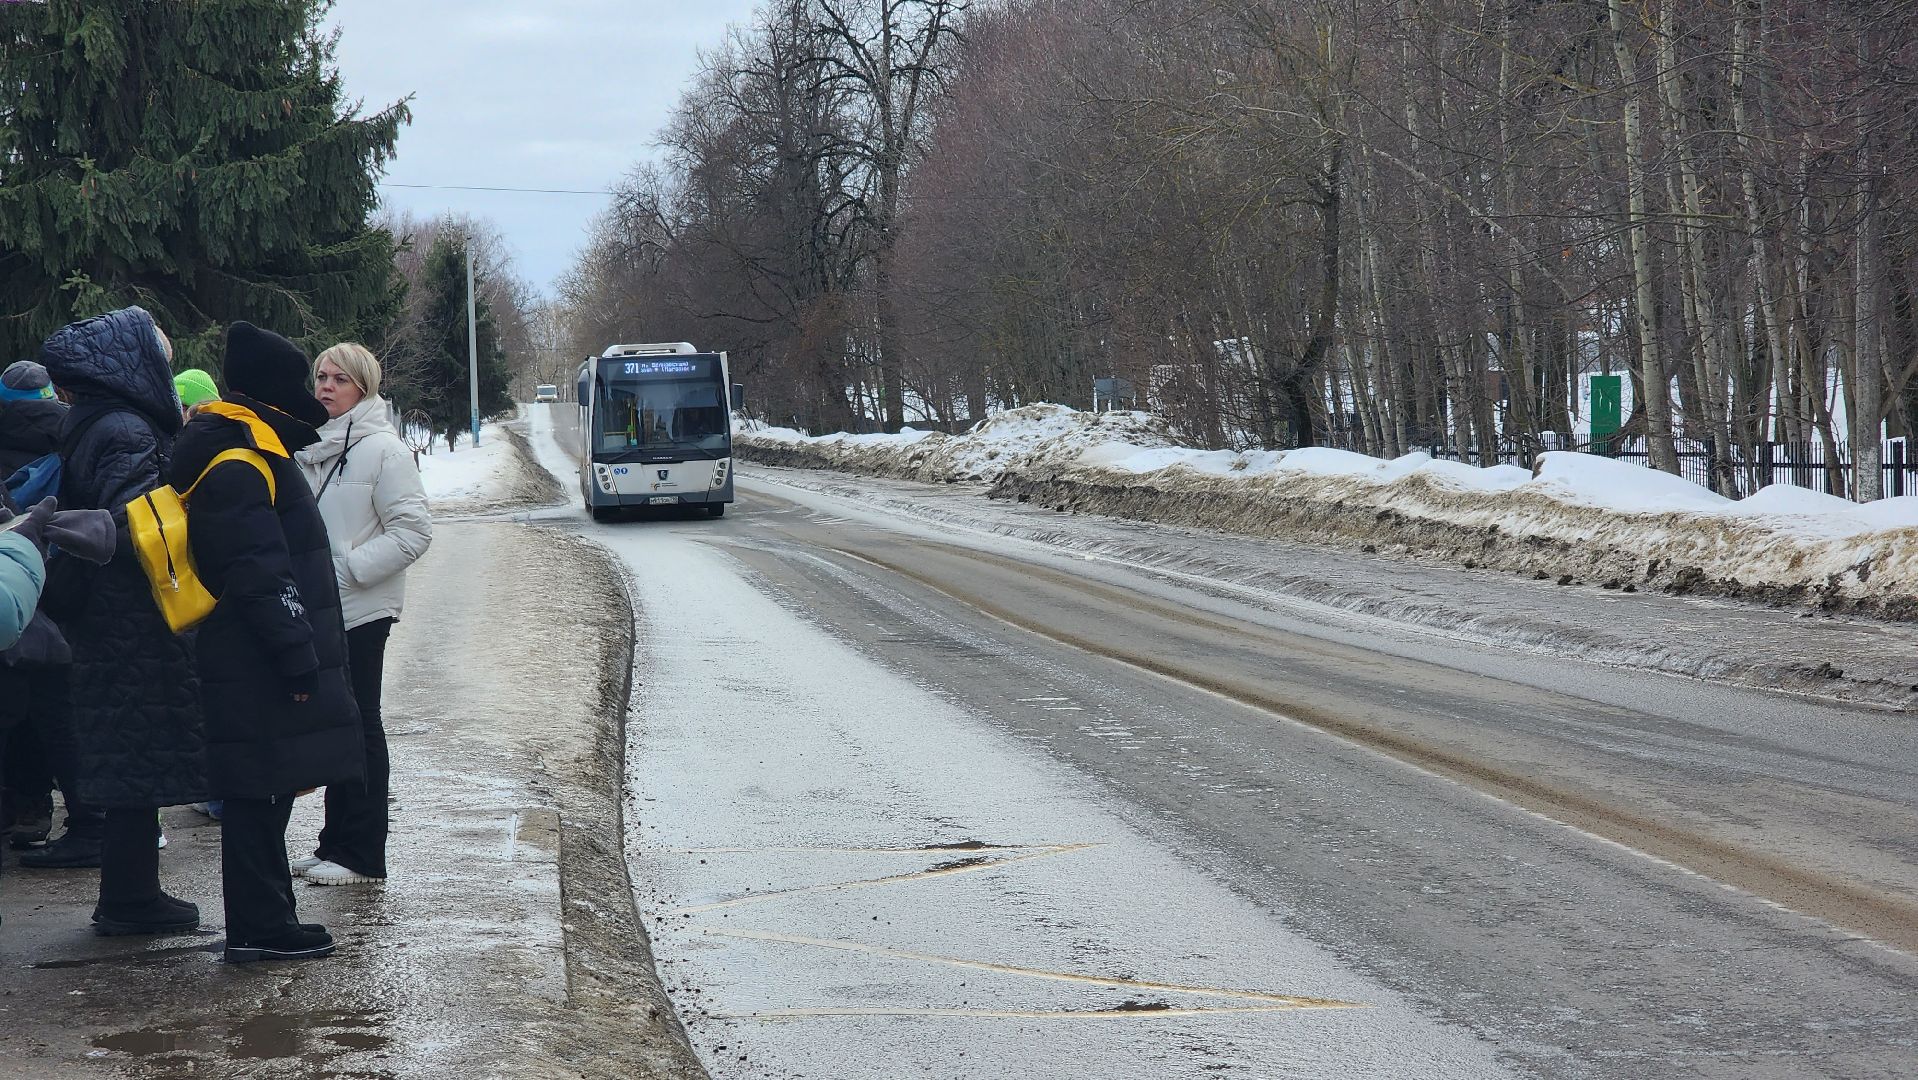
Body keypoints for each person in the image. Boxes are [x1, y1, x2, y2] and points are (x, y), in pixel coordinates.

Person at [172, 321, 361, 963]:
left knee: (269, 789)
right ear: (270, 406)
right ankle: (258, 928)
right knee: (257, 792)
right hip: (251, 658)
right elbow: (259, 572)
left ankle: (270, 916)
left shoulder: (239, 453)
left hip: (247, 655)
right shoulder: (240, 463)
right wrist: (297, 655)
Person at [34, 308, 206, 933]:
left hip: (102, 613)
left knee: (125, 748)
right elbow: (138, 524)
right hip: (131, 614)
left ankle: (129, 894)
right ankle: (131, 900)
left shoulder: (92, 419)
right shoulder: (128, 428)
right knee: (137, 753)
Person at [292, 343, 431, 886]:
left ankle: (363, 853)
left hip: (361, 608)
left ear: (364, 387)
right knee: (336, 724)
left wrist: (346, 571)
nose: (325, 386)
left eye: (339, 379)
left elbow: (413, 532)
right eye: (321, 377)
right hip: (321, 609)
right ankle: (335, 842)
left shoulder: (384, 451)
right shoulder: (314, 445)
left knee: (361, 724)